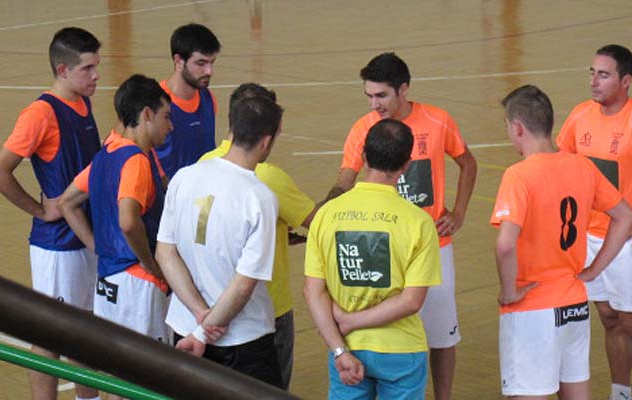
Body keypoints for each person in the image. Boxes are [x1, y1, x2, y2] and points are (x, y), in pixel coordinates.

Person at [326, 52, 476, 400]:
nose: (374, 104)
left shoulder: (438, 121)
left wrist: (459, 213)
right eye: (369, 96)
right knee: (385, 328)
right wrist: (325, 209)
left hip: (432, 246)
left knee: (441, 335)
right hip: (381, 246)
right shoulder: (363, 128)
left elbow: (468, 164)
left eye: (381, 96)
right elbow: (345, 178)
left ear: (403, 90)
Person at [491, 85, 632, 399]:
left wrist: (508, 292)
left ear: (517, 127)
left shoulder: (519, 176)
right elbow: (626, 216)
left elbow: (505, 244)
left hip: (533, 309)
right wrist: (595, 270)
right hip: (573, 303)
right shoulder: (582, 166)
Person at [555, 44, 632, 400]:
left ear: (626, 80)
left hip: (628, 242)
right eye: (592, 72)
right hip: (588, 238)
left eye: (604, 74)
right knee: (609, 318)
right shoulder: (580, 116)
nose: (594, 81)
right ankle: (621, 392)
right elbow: (561, 165)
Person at [0, 27, 101, 400]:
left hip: (84, 236)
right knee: (51, 337)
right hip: (57, 247)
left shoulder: (82, 102)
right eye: (88, 69)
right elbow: (1, 169)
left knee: (87, 333)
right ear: (63, 70)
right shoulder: (39, 114)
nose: (96, 76)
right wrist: (40, 210)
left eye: (96, 67)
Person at [306, 118, 441, 399]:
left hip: (347, 346)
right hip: (401, 351)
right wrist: (353, 321)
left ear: (364, 157)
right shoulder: (419, 222)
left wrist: (340, 348)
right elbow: (411, 301)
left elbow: (313, 291)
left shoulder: (327, 215)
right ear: (406, 165)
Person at [155, 95, 283, 387]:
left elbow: (165, 253)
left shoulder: (184, 177)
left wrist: (199, 315)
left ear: (232, 130)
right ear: (266, 141)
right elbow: (244, 283)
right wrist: (206, 329)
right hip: (242, 341)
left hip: (184, 328)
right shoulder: (258, 197)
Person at [198, 83, 318, 390]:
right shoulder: (268, 179)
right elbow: (320, 222)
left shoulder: (203, 165)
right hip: (266, 313)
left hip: (208, 305)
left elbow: (203, 232)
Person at [59, 75, 173, 358]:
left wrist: (97, 245)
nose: (170, 127)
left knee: (117, 372)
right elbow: (128, 220)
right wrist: (150, 264)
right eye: (166, 117)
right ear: (147, 114)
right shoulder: (136, 160)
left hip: (107, 281)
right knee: (150, 373)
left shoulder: (105, 155)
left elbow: (67, 202)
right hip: (137, 284)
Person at [155, 23, 220, 178]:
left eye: (212, 62)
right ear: (178, 61)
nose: (209, 71)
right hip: (169, 198)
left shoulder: (208, 99)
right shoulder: (153, 102)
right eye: (201, 63)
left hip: (202, 197)